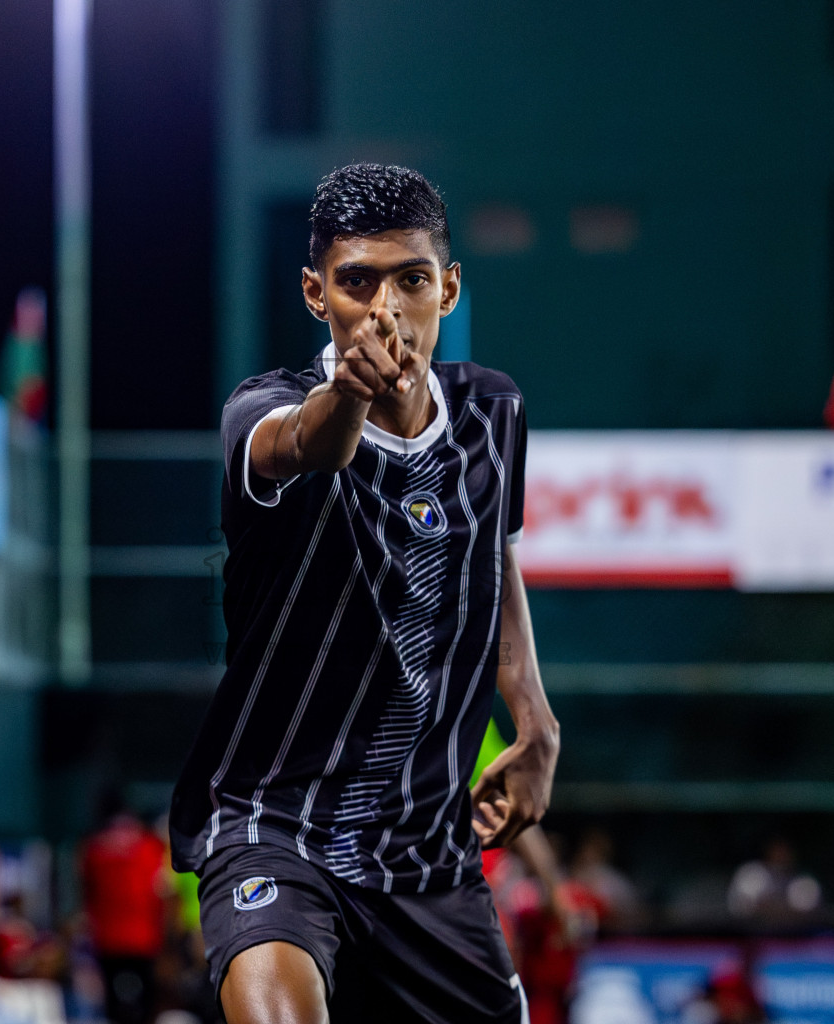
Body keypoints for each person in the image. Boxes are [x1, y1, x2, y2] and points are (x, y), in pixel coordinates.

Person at [170, 163, 559, 1024]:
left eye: (412, 279)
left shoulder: (494, 413)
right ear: (317, 295)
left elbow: (495, 555)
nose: (386, 309)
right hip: (276, 828)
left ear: (449, 288)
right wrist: (348, 391)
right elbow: (308, 444)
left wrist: (533, 716)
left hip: (427, 858)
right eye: (357, 282)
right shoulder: (261, 411)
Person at [81, 791, 170, 1024]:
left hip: (108, 938)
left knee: (112, 1004)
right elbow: (161, 892)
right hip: (145, 937)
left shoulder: (94, 849)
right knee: (147, 1002)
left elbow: (88, 893)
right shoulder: (150, 846)